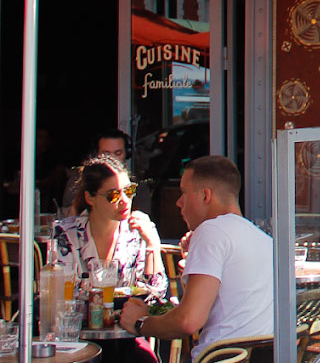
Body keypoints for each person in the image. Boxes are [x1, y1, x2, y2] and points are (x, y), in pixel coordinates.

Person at [119, 156, 272, 360]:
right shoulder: (263, 239)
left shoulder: (211, 230)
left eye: (183, 192)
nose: (178, 202)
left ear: (205, 196)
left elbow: (188, 321)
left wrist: (140, 323)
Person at [52, 154, 163, 363]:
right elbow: (62, 297)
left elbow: (155, 297)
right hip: (79, 338)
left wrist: (152, 245)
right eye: (113, 195)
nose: (125, 201)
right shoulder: (67, 233)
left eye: (129, 191)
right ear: (90, 198)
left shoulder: (138, 232)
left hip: (125, 336)